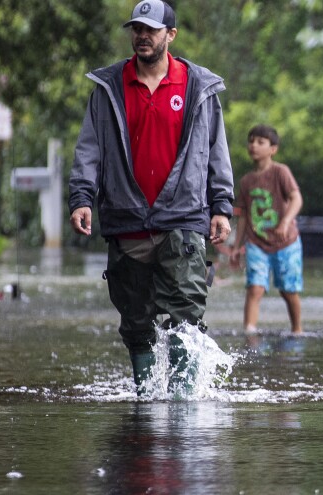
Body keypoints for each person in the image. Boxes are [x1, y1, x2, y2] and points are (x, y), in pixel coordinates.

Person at [69, 1, 234, 396]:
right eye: (137, 29)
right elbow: (89, 148)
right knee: (135, 322)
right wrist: (81, 198)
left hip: (184, 216)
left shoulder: (199, 86)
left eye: (151, 30)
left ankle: (182, 404)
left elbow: (216, 150)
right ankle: (146, 399)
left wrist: (222, 206)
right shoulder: (109, 87)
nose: (142, 36)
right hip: (127, 219)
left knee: (186, 315)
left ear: (170, 35)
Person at [237, 124, 304, 335]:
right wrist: (236, 247)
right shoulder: (246, 181)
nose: (253, 145)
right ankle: (249, 332)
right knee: (254, 288)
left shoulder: (280, 172)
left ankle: (297, 330)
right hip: (257, 242)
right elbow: (244, 216)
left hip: (287, 241)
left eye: (260, 142)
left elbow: (296, 198)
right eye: (251, 141)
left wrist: (285, 222)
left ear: (272, 149)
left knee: (288, 290)